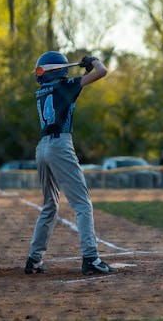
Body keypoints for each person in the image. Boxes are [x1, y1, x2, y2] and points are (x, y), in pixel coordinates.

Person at [24, 51, 116, 275]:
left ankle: (34, 259)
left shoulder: (43, 91)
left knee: (50, 205)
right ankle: (91, 258)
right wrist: (93, 60)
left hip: (42, 148)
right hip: (60, 146)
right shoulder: (66, 86)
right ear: (60, 70)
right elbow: (102, 71)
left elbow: (69, 91)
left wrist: (82, 72)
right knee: (82, 203)